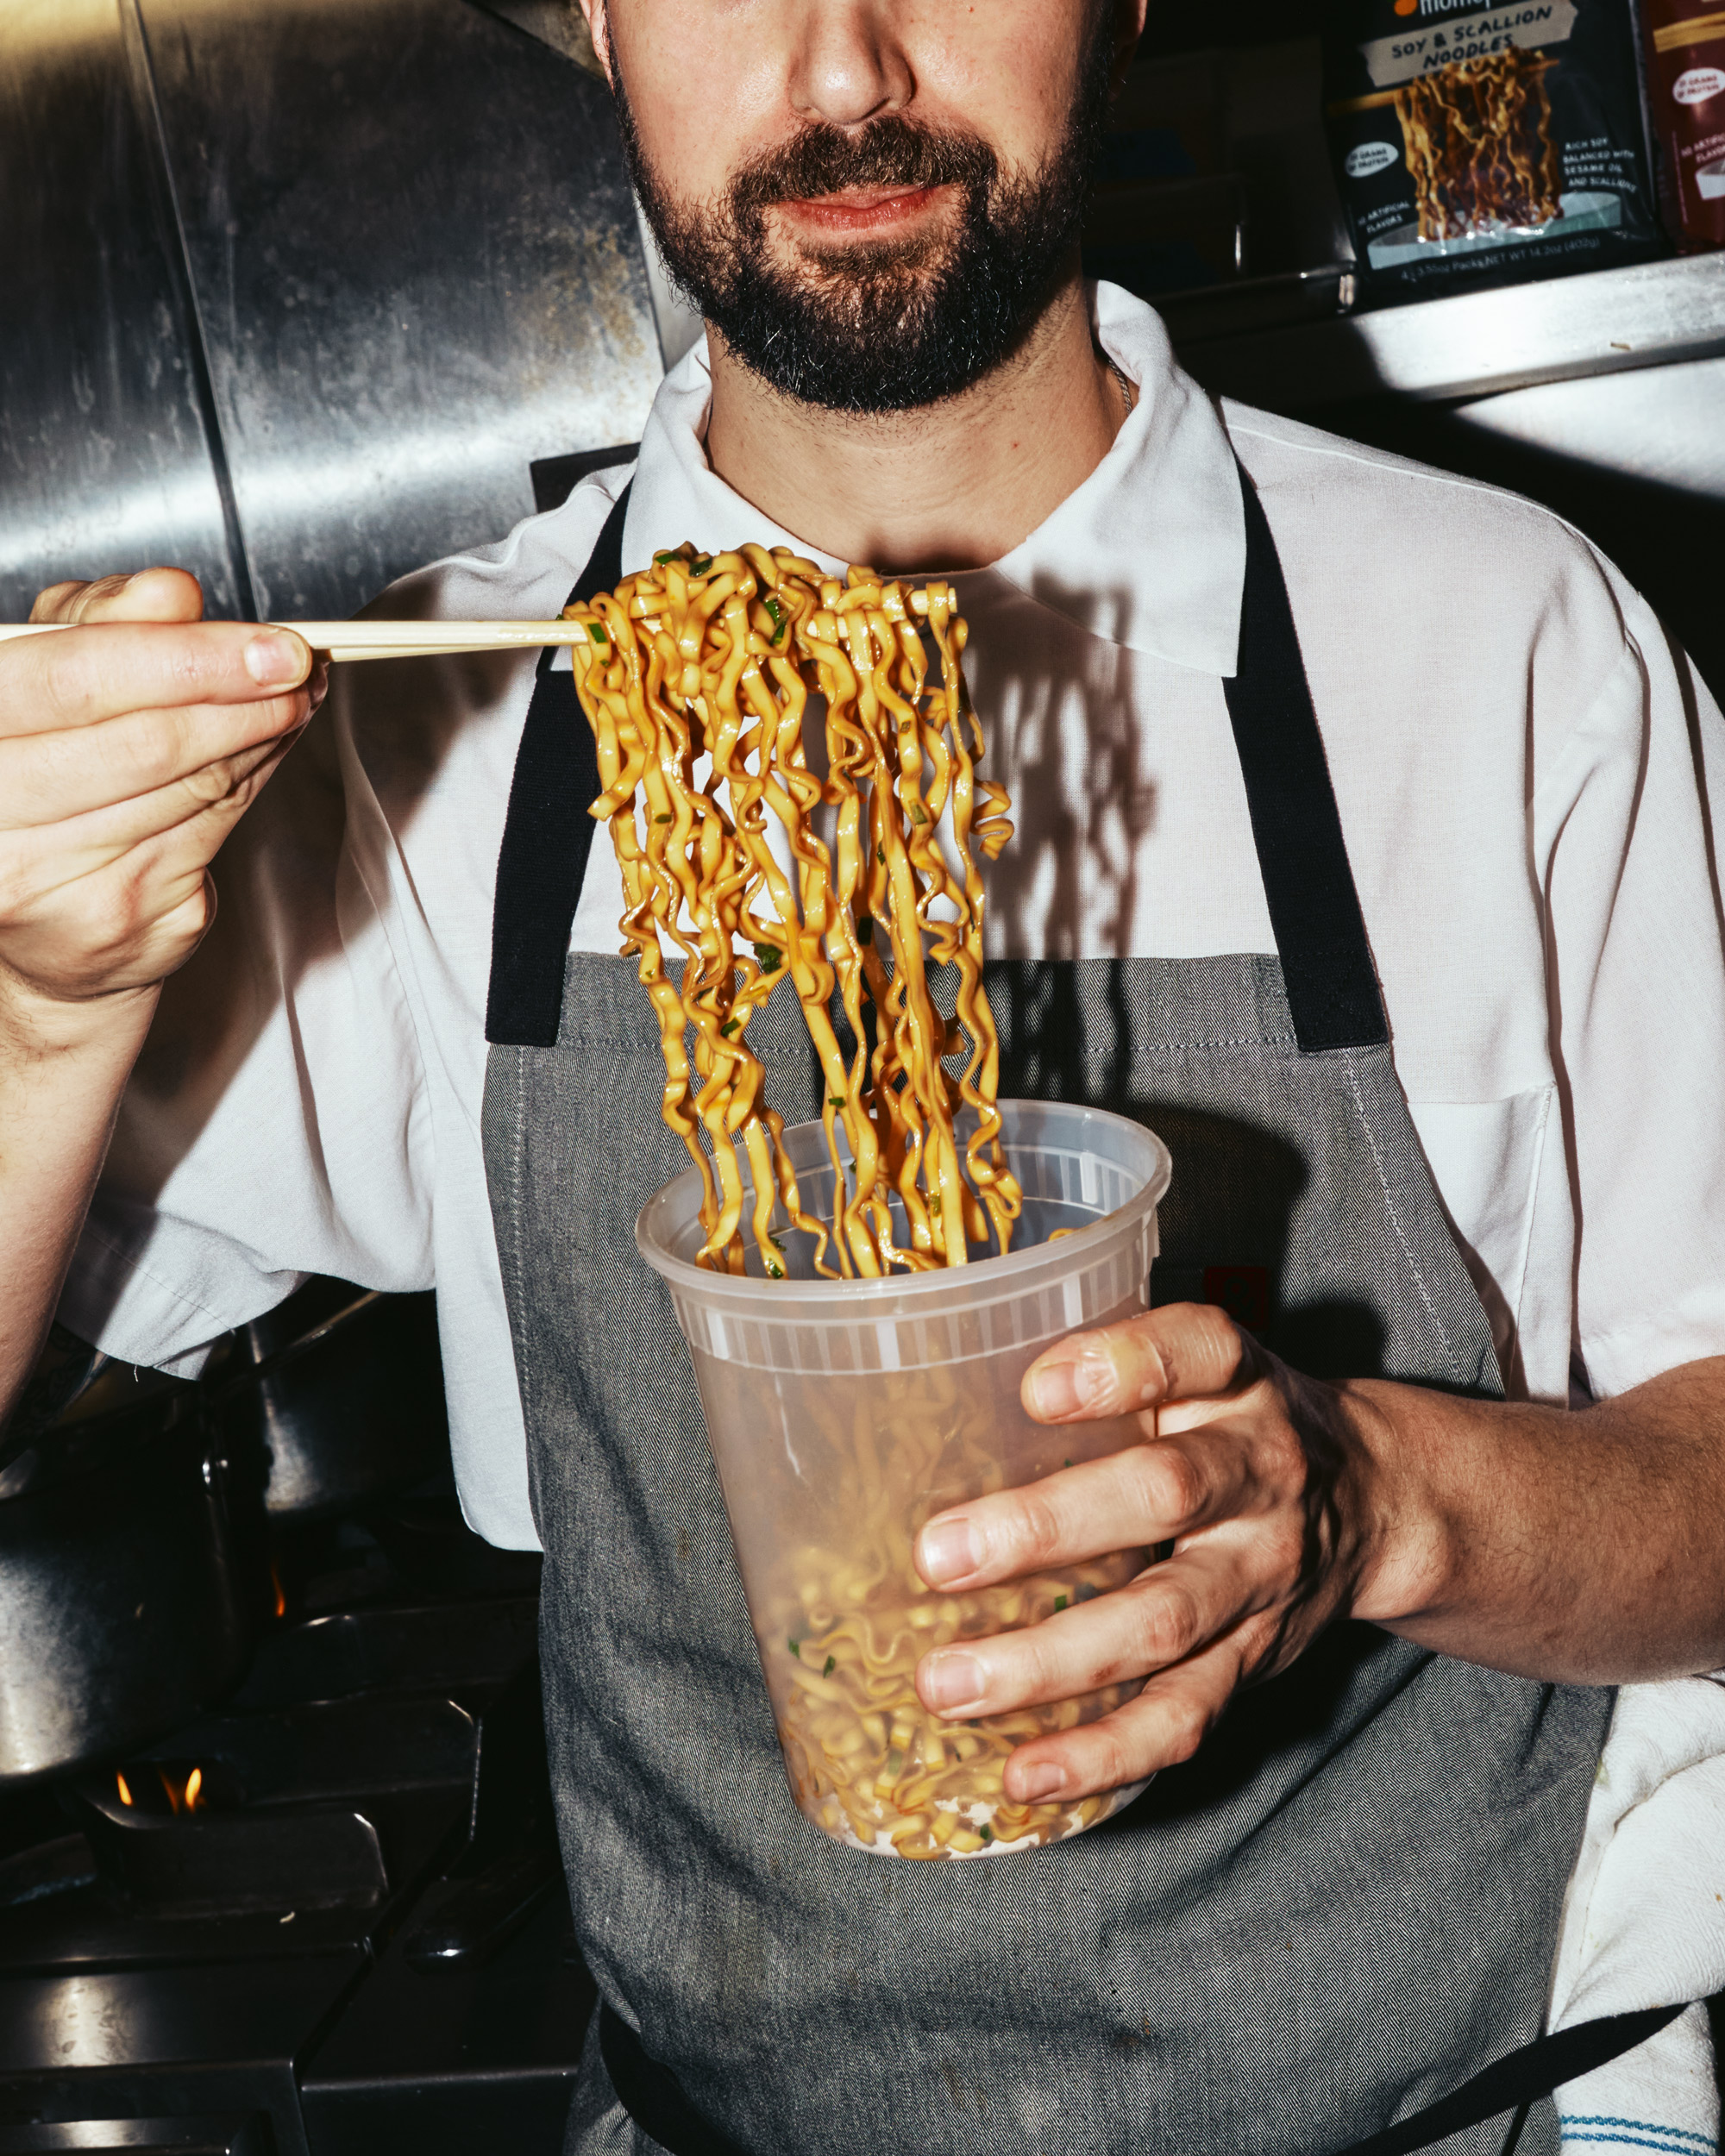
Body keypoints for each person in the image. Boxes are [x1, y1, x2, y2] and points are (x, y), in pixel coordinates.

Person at [3, 0, 1724, 2148]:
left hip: (1439, 2099)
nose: (840, 72)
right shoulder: (426, 750)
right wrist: (40, 1013)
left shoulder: (1505, 641)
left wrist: (1374, 1493)